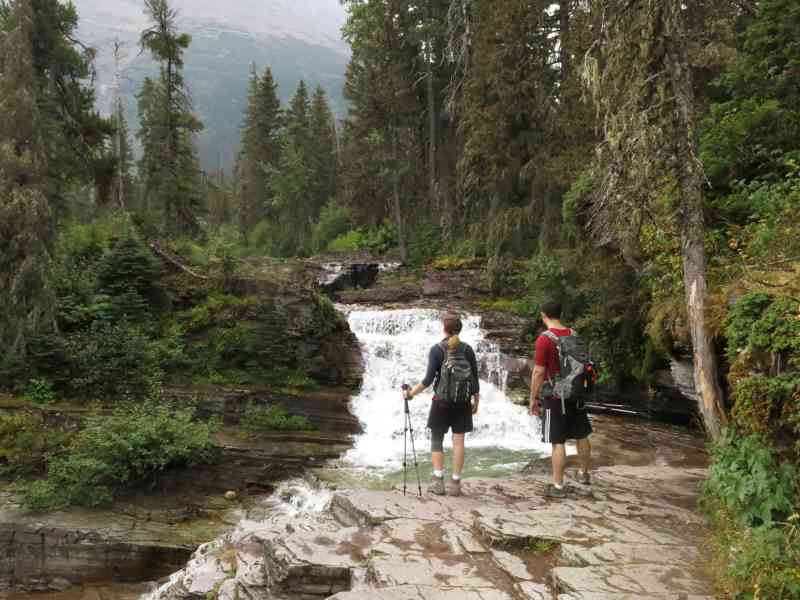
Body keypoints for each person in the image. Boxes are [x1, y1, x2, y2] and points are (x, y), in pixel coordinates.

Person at [403, 312, 480, 496]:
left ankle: (438, 482)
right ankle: (455, 484)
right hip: (462, 402)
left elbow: (428, 380)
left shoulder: (437, 350)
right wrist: (476, 401)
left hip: (442, 402)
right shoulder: (468, 349)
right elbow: (475, 380)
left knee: (437, 440)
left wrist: (410, 394)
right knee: (459, 442)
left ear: (444, 328)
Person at [529, 302, 592, 498]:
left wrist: (533, 398)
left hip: (555, 396)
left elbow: (539, 371)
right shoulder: (574, 334)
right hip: (576, 392)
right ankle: (583, 474)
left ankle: (557, 486)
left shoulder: (544, 340)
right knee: (582, 434)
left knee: (557, 441)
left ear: (543, 315)